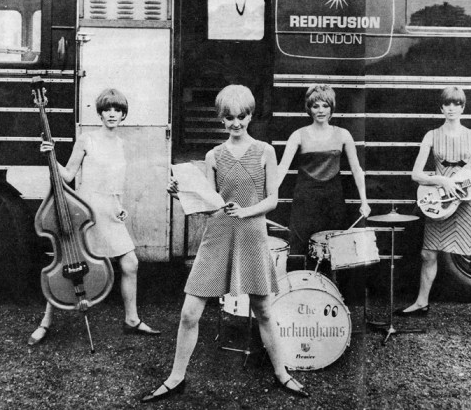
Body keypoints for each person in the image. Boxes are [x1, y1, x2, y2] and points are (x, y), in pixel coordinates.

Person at [140, 85, 307, 403]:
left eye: (241, 116)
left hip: (252, 234)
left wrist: (246, 211)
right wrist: (181, 194)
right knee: (190, 312)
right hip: (218, 234)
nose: (236, 123)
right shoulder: (213, 156)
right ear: (221, 118)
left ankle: (282, 374)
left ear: (250, 115)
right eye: (229, 117)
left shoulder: (265, 152)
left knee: (263, 311)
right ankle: (176, 378)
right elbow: (213, 204)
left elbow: (273, 199)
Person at [28, 88, 160, 346]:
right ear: (100, 113)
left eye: (118, 110)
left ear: (123, 115)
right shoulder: (87, 139)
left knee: (130, 263)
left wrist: (120, 205)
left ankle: (131, 319)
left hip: (110, 211)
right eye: (107, 109)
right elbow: (67, 175)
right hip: (85, 211)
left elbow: (115, 183)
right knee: (69, 263)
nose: (112, 114)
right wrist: (50, 155)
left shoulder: (122, 144)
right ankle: (45, 322)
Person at [397, 86, 471, 332]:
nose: (452, 108)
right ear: (441, 108)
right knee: (428, 254)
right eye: (447, 104)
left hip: (467, 204)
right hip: (440, 203)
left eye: (457, 104)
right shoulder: (431, 135)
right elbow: (416, 174)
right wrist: (442, 180)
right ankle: (421, 302)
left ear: (463, 107)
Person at [276, 84, 371, 260]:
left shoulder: (343, 135)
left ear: (331, 108)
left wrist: (364, 202)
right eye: (315, 106)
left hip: (333, 201)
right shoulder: (298, 135)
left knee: (334, 253)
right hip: (305, 201)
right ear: (309, 109)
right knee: (300, 250)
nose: (321, 110)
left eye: (325, 105)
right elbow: (281, 169)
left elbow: (357, 170)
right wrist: (269, 197)